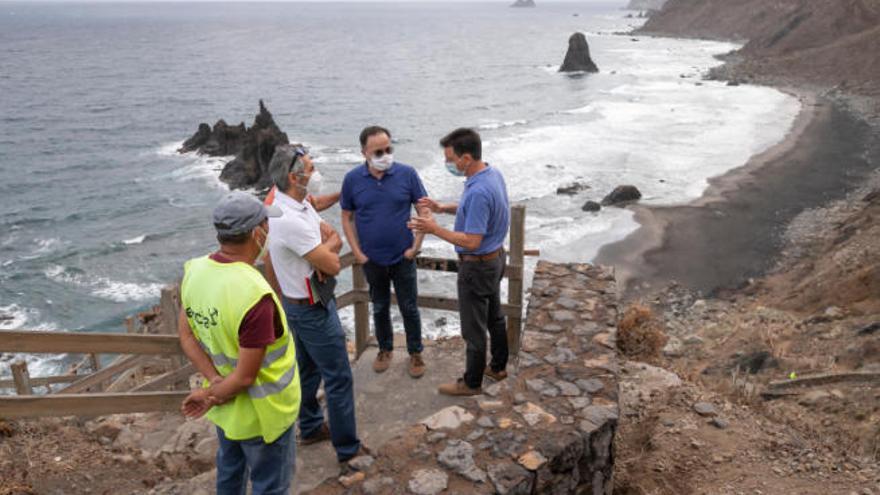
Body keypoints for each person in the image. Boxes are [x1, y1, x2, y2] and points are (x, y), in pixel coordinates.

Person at [178, 190, 300, 494]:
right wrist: (210, 395)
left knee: (230, 475)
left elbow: (187, 335)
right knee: (269, 485)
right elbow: (246, 377)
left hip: (228, 412)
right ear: (257, 232)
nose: (269, 231)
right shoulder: (253, 295)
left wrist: (213, 382)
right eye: (266, 226)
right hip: (264, 416)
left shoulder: (195, 271)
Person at [262, 144, 365, 466]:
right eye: (310, 166)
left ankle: (308, 427)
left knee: (306, 371)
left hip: (300, 304)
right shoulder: (288, 219)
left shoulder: (292, 201)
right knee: (338, 377)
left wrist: (327, 246)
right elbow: (333, 264)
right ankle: (348, 449)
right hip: (311, 309)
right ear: (295, 176)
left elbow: (326, 225)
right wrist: (330, 246)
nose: (315, 170)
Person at [408, 128, 510, 396]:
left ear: (466, 157)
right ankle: (498, 367)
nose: (447, 164)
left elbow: (472, 240)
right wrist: (443, 208)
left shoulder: (478, 191)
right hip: (496, 258)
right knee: (494, 317)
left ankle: (472, 382)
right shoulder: (491, 174)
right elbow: (473, 209)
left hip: (477, 265)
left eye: (450, 159)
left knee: (473, 329)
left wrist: (433, 228)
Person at [340, 126, 428, 378]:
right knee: (379, 307)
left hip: (403, 256)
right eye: (379, 151)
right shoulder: (352, 179)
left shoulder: (407, 174)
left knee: (409, 307)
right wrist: (357, 252)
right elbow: (346, 217)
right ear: (364, 152)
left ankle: (415, 352)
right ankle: (385, 349)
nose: (385, 154)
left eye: (389, 149)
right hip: (372, 259)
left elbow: (424, 210)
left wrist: (416, 246)